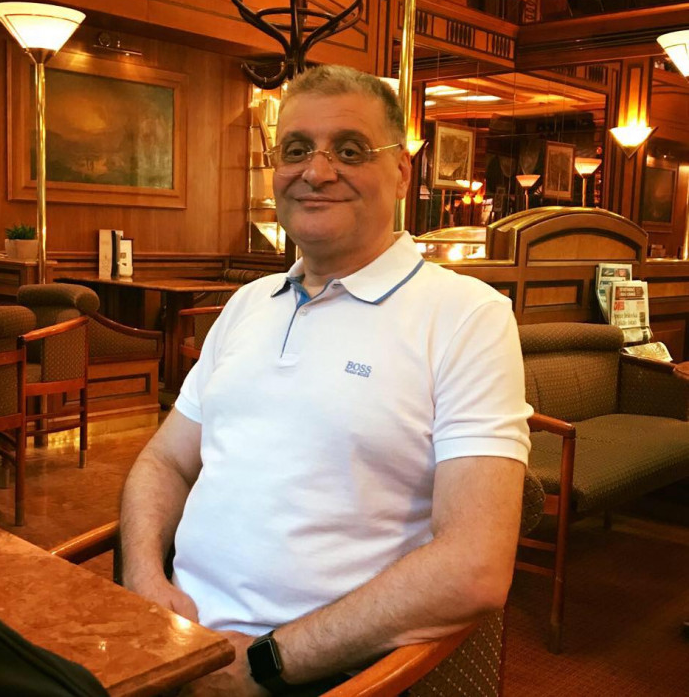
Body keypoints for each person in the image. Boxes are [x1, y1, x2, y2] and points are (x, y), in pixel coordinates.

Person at [120, 64, 532, 696]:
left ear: (401, 172)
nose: (316, 171)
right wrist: (146, 583)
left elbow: (473, 566)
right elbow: (165, 462)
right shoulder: (248, 303)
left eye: (350, 150)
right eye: (295, 149)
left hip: (319, 671)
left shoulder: (467, 316)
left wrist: (262, 664)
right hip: (169, 644)